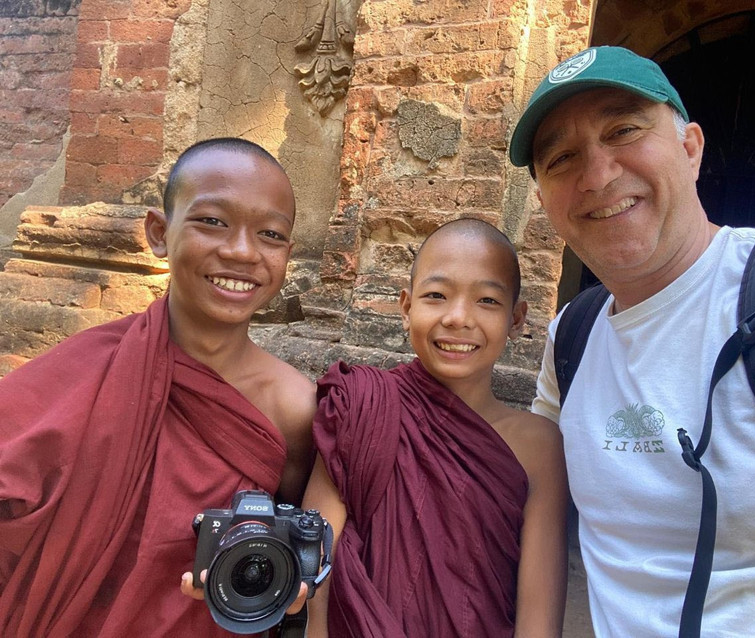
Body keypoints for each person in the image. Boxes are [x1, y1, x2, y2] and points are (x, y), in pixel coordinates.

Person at [508, 45, 755, 636]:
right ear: (543, 203)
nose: (598, 175)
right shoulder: (574, 334)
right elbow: (521, 482)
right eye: (562, 158)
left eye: (623, 129)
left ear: (691, 148)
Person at [0, 138, 316, 637]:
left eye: (271, 234)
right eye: (212, 221)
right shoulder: (85, 370)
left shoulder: (295, 408)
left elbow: (290, 555)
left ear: (287, 254)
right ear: (159, 232)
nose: (241, 251)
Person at [301, 218, 569, 637]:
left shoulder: (539, 445)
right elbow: (317, 574)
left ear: (517, 319)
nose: (458, 318)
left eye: (487, 301)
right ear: (407, 307)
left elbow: (539, 615)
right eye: (437, 296)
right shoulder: (362, 408)